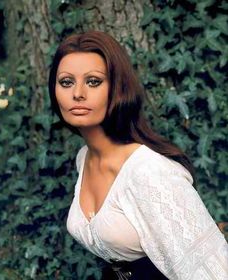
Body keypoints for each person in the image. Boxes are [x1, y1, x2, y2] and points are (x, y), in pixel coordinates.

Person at [48, 30, 228, 279]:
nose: (78, 93)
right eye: (66, 82)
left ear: (117, 89)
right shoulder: (84, 158)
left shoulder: (149, 170)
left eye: (93, 81)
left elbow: (215, 272)